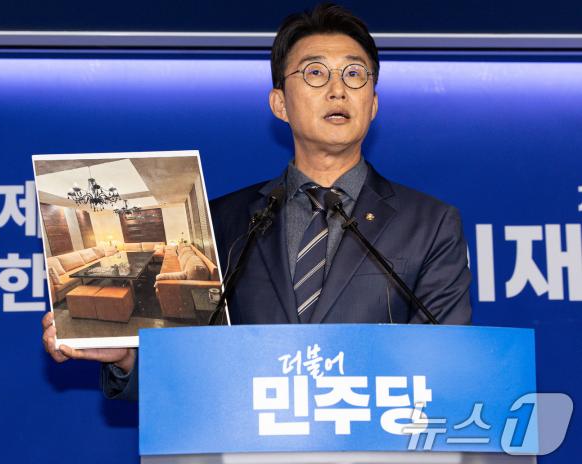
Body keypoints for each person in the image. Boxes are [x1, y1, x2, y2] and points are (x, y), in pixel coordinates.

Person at [42, 3, 471, 401]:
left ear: (373, 103)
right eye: (315, 73)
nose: (338, 89)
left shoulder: (431, 224)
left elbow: (448, 366)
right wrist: (127, 359)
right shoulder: (226, 222)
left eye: (355, 74)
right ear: (280, 104)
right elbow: (196, 367)